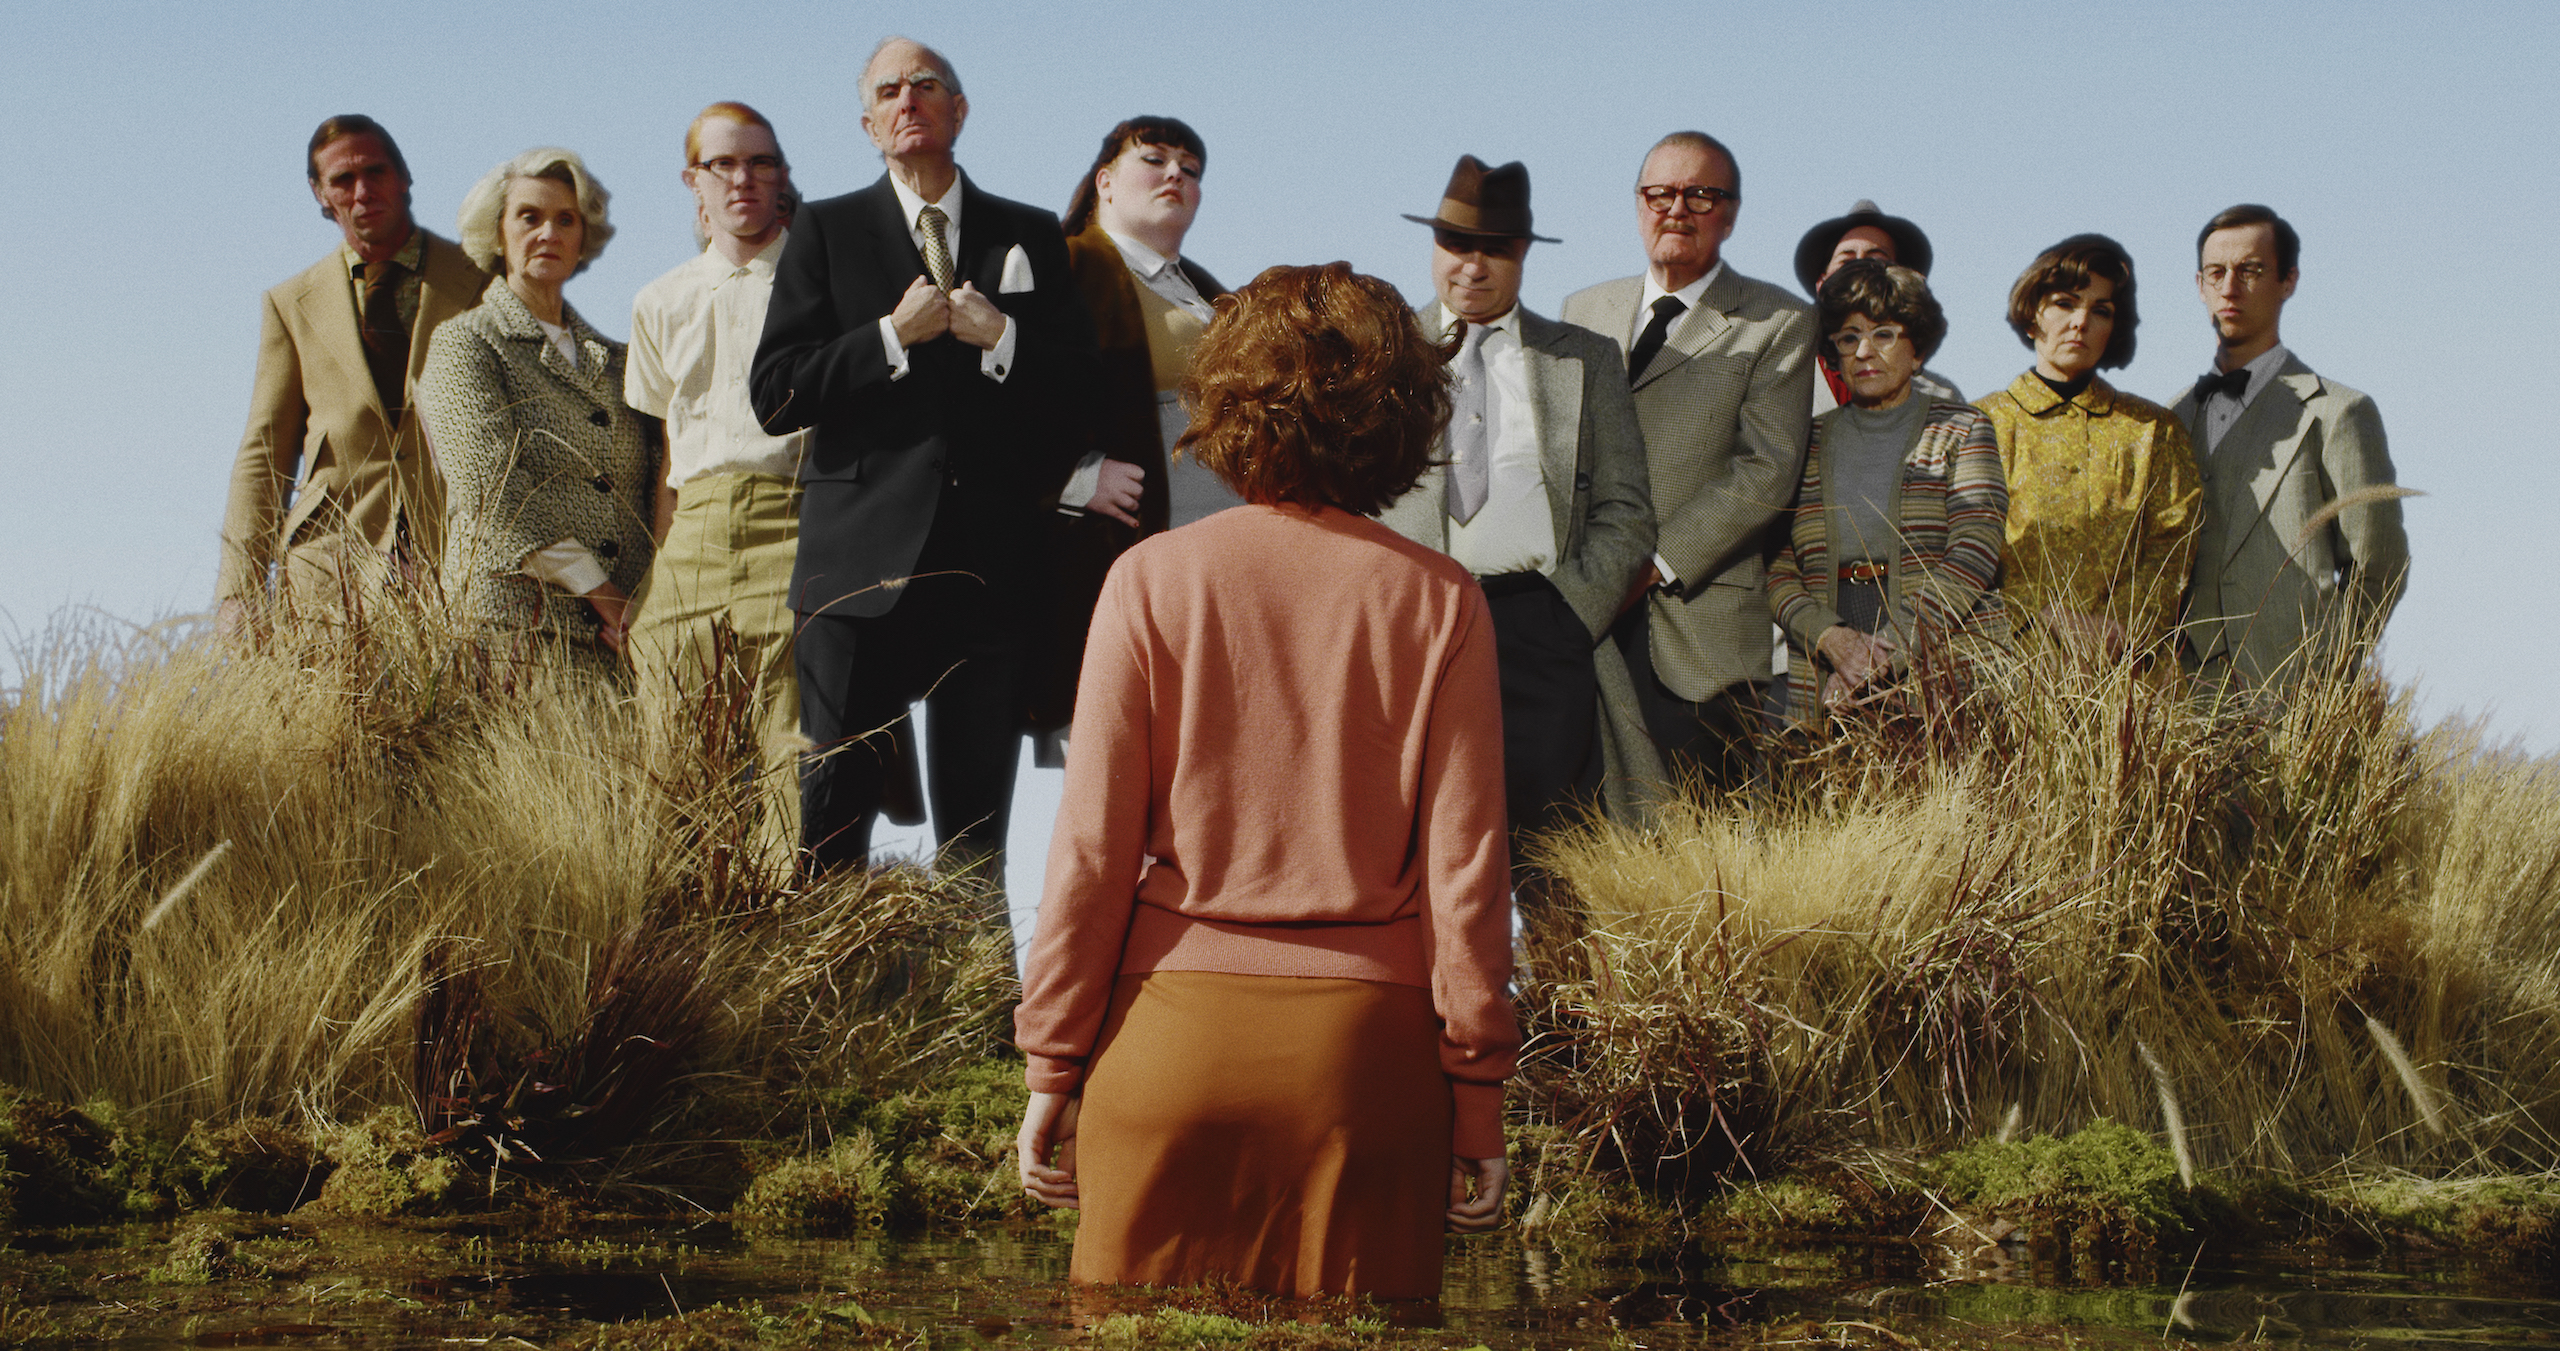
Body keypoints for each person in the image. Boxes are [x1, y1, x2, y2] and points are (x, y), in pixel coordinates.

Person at [1013, 263, 1516, 1300]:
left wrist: (1052, 1064)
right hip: (1362, 1070)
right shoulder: (1441, 600)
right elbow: (1467, 878)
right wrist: (1476, 1098)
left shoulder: (1150, 580)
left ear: (1227, 402)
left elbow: (1092, 855)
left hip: (1167, 1052)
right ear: (1405, 416)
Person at [751, 37, 1097, 873]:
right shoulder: (827, 231)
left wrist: (1000, 334)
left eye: (926, 84)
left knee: (977, 842)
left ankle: (979, 1005)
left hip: (989, 573)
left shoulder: (1030, 233)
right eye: (889, 90)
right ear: (869, 122)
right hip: (858, 575)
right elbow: (777, 394)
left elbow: (1076, 393)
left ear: (959, 111)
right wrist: (887, 338)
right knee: (831, 830)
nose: (908, 98)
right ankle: (820, 999)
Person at [1374, 155, 1653, 841]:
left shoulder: (1585, 357)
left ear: (1523, 252)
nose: (1471, 266)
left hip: (1541, 625)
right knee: (1415, 847)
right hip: (1409, 630)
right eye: (1455, 245)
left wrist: (1571, 612)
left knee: (1555, 857)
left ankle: (1557, 956)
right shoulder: (1377, 356)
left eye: (1493, 249)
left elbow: (1626, 508)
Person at [1559, 131, 1817, 803]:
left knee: (1704, 849)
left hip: (1696, 628)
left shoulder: (1778, 321)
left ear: (1730, 213)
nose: (1678, 208)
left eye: (1700, 194)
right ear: (1638, 204)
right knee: (1578, 836)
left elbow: (1767, 469)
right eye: (1660, 193)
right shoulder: (1582, 313)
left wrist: (1652, 564)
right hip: (1583, 621)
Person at [623, 103, 813, 844]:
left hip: (793, 514)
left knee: (791, 748)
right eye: (723, 164)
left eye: (761, 163)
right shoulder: (659, 301)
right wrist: (652, 571)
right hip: (693, 529)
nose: (743, 179)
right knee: (668, 750)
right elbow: (667, 454)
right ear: (692, 181)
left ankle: (786, 937)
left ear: (781, 177)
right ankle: (684, 944)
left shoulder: (819, 286)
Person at [220, 116, 488, 627]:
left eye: (376, 172)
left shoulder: (482, 282)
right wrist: (239, 590)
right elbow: (264, 450)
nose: (363, 191)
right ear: (320, 194)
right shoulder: (291, 304)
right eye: (343, 180)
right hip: (330, 573)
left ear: (404, 178)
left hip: (461, 562)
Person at [1026, 115, 1233, 764]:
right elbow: (996, 395)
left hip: (1219, 558)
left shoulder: (1210, 293)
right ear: (1105, 182)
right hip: (1120, 549)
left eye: (1192, 168)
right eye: (1155, 158)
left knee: (1211, 751)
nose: (1176, 173)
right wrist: (1075, 475)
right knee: (1124, 754)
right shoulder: (1060, 267)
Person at [418, 148, 656, 677]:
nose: (548, 232)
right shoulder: (465, 343)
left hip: (624, 646)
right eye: (530, 217)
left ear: (583, 237)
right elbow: (490, 487)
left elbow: (657, 488)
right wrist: (607, 597)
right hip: (514, 635)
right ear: (497, 230)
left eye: (565, 219)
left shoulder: (621, 360)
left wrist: (651, 604)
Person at [2171, 204, 2408, 689]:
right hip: (2175, 707)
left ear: (2288, 281)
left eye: (2251, 270)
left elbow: (2378, 565)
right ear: (2199, 286)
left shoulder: (2338, 412)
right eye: (2216, 273)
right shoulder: (2167, 421)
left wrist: (2323, 673)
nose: (2230, 287)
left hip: (2286, 700)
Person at [1767, 261, 2007, 722]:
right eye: (1848, 338)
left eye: (1884, 334)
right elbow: (1776, 565)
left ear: (1916, 350)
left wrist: (1883, 655)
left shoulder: (1963, 428)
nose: (1863, 351)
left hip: (1941, 670)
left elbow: (1974, 553)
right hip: (1823, 677)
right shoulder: (1805, 440)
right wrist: (1831, 640)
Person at [1975, 235, 2199, 664]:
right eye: (2064, 303)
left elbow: (2173, 547)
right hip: (2001, 671)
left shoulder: (2154, 431)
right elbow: (1955, 552)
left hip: (2129, 673)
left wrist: (2118, 626)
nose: (2080, 321)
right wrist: (2040, 616)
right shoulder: (1979, 423)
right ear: (2030, 317)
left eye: (2101, 310)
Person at [1791, 200, 1963, 411]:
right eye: (1846, 262)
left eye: (1876, 260)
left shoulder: (1939, 398)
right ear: (1821, 283)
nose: (1860, 268)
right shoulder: (1781, 379)